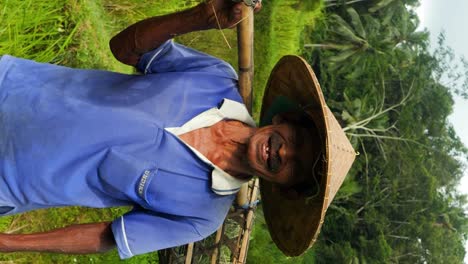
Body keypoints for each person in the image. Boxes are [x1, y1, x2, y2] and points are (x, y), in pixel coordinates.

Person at [0, 0, 323, 259]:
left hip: (8, 182)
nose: (284, 151)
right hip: (13, 86)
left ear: (283, 186)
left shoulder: (202, 216)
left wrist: (8, 243)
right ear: (282, 121)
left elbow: (107, 236)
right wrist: (200, 17)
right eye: (295, 140)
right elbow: (124, 49)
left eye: (294, 165)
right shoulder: (216, 78)